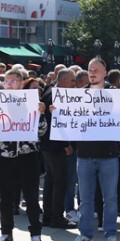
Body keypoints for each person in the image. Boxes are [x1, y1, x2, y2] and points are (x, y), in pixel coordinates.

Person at [0, 69, 45, 241]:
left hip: (28, 156)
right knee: (5, 198)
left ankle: (36, 234)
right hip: (5, 156)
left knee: (31, 197)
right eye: (7, 82)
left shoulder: (31, 103)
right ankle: (6, 233)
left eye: (13, 81)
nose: (9, 85)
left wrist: (41, 114)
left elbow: (42, 131)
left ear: (21, 84)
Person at [67, 58, 120, 241]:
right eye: (90, 70)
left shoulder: (115, 94)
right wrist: (58, 111)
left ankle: (110, 235)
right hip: (84, 155)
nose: (92, 73)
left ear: (104, 73)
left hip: (108, 155)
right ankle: (85, 235)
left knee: (110, 198)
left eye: (96, 70)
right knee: (85, 200)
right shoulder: (79, 95)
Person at [40, 69, 76, 229]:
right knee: (60, 181)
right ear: (63, 81)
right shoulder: (57, 95)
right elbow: (58, 122)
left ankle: (48, 216)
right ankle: (56, 217)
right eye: (72, 81)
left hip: (48, 144)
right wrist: (66, 144)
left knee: (50, 181)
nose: (74, 84)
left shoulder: (49, 92)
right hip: (55, 145)